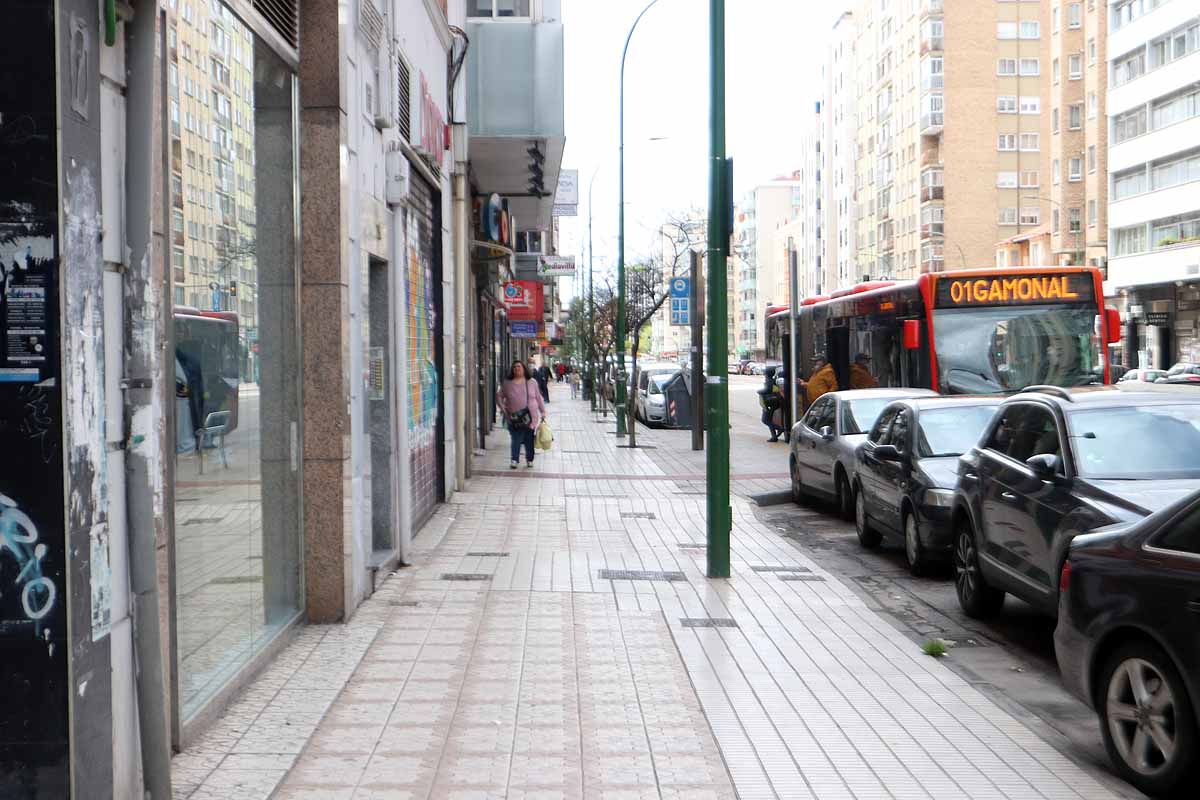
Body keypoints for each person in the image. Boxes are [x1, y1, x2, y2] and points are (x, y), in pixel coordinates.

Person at [496, 361, 546, 469]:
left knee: (529, 439)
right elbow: (499, 396)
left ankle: (529, 459)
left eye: (519, 366)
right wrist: (502, 408)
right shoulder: (507, 383)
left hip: (530, 417)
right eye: (514, 367)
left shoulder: (532, 382)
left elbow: (538, 397)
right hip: (513, 417)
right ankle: (514, 459)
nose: (516, 369)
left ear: (524, 368)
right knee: (515, 438)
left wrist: (543, 411)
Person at [758, 365, 786, 442]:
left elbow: (768, 390)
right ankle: (774, 437)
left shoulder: (769, 381)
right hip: (772, 402)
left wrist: (759, 391)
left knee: (765, 420)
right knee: (769, 420)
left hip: (769, 403)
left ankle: (780, 429)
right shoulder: (772, 380)